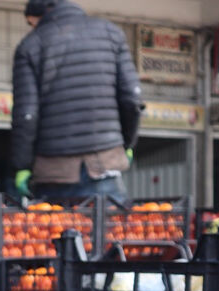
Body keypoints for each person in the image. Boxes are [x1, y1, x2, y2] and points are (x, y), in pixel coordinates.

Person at [10, 0, 143, 207]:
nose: (32, 28)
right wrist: (126, 144)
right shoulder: (111, 33)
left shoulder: (30, 45)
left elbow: (26, 115)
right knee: (110, 234)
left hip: (53, 173)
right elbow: (132, 99)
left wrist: (22, 166)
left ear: (40, 14)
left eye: (31, 23)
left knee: (55, 235)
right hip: (105, 166)